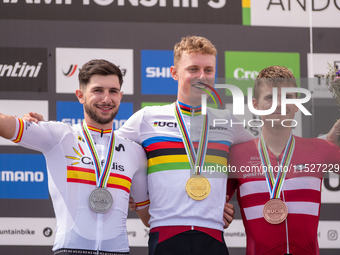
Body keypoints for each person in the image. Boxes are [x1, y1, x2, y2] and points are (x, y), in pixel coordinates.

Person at [115, 35, 254, 255]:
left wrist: (223, 195)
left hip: (213, 235)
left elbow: (265, 155)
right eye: (193, 69)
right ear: (174, 72)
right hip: (165, 235)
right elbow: (108, 148)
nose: (202, 76)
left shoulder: (227, 121)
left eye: (208, 70)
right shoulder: (147, 118)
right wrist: (134, 194)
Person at [0, 59, 150, 255]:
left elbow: (148, 219)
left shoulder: (134, 152)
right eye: (97, 90)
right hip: (69, 249)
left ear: (121, 96)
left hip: (118, 251)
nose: (106, 99)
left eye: (113, 91)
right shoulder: (58, 136)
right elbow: (5, 124)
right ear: (81, 95)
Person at [227, 66, 340, 255]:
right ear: (254, 104)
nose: (279, 104)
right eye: (270, 97)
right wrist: (216, 212)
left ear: (298, 103)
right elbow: (211, 203)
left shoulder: (321, 150)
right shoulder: (236, 156)